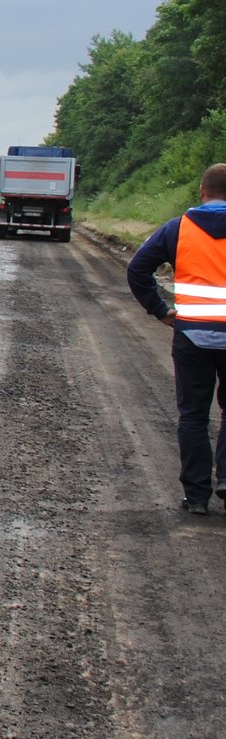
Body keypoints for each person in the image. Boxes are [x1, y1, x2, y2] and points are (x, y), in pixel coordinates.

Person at [127, 161, 226, 514]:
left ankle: (197, 496)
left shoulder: (178, 228)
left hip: (192, 335)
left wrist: (159, 309)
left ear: (202, 192)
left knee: (194, 415)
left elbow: (137, 268)